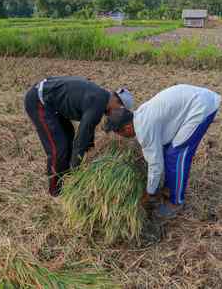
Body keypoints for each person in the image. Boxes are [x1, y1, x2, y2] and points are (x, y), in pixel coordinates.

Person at [103, 84, 221, 219]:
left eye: (119, 133)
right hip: (193, 100)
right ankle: (169, 187)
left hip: (200, 107)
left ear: (128, 128)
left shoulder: (145, 130)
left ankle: (176, 202)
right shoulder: (139, 116)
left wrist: (150, 193)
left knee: (176, 155)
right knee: (167, 150)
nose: (120, 137)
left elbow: (156, 165)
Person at [24, 76, 134, 197]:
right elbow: (81, 140)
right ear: (116, 101)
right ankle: (55, 193)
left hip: (53, 105)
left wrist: (89, 153)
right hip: (39, 101)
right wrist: (76, 172)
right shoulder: (98, 103)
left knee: (68, 138)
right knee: (58, 149)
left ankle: (64, 179)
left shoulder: (101, 99)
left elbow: (87, 132)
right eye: (119, 110)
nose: (117, 114)